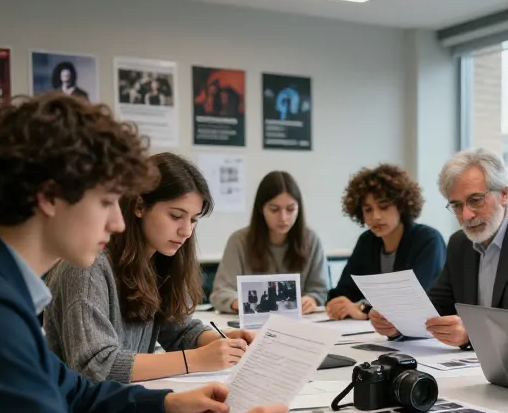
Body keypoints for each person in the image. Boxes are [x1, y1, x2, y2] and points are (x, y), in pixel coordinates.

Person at [0, 93, 288, 413]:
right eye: (107, 201)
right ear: (50, 196)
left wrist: (169, 402)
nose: (117, 222)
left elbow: (73, 391)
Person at [44, 152, 255, 383]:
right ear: (139, 207)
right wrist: (196, 359)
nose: (186, 231)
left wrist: (220, 340)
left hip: (126, 404)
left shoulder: (159, 259)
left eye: (194, 220)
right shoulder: (87, 267)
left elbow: (179, 329)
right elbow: (97, 366)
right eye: (176, 216)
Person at [369, 148, 508, 347]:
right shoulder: (460, 243)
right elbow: (436, 307)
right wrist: (398, 323)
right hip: (476, 364)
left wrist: (471, 333)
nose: (466, 215)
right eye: (457, 205)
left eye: (475, 200)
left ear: (503, 194)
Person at [326, 164, 446, 320]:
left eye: (384, 207)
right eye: (368, 209)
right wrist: (337, 303)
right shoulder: (367, 241)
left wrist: (363, 308)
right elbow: (344, 291)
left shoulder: (428, 240)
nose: (376, 216)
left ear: (401, 206)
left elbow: (413, 301)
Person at [211, 171, 330, 314]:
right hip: (251, 322)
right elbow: (220, 293)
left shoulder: (312, 240)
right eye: (274, 209)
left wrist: (312, 299)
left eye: (291, 209)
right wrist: (241, 303)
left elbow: (320, 290)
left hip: (299, 322)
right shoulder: (239, 241)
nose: (283, 218)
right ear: (261, 209)